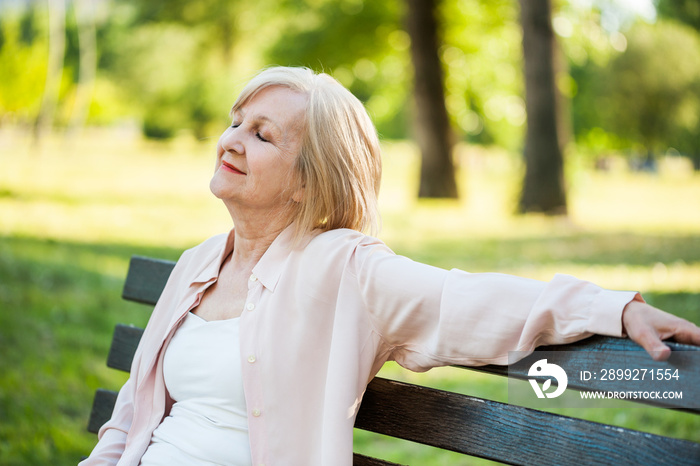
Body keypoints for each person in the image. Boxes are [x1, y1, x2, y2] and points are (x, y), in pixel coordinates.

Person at [80, 66, 700, 466]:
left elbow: (464, 301)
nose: (231, 140)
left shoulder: (343, 270)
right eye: (235, 123)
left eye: (263, 135)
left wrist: (611, 308)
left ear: (308, 182)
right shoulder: (198, 264)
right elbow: (131, 419)